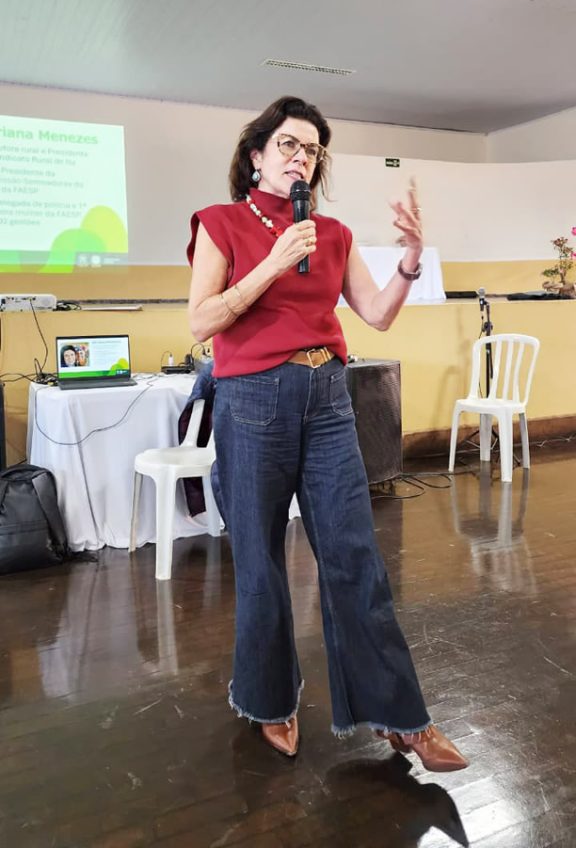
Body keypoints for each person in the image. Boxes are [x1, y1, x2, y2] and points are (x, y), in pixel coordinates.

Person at [187, 95, 468, 772]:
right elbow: (202, 321)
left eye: (311, 150)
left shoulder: (331, 234)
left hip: (328, 398)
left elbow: (377, 314)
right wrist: (275, 260)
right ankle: (269, 700)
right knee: (260, 560)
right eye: (288, 145)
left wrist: (411, 258)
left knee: (354, 557)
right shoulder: (222, 223)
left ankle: (401, 716)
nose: (300, 158)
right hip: (253, 400)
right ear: (257, 156)